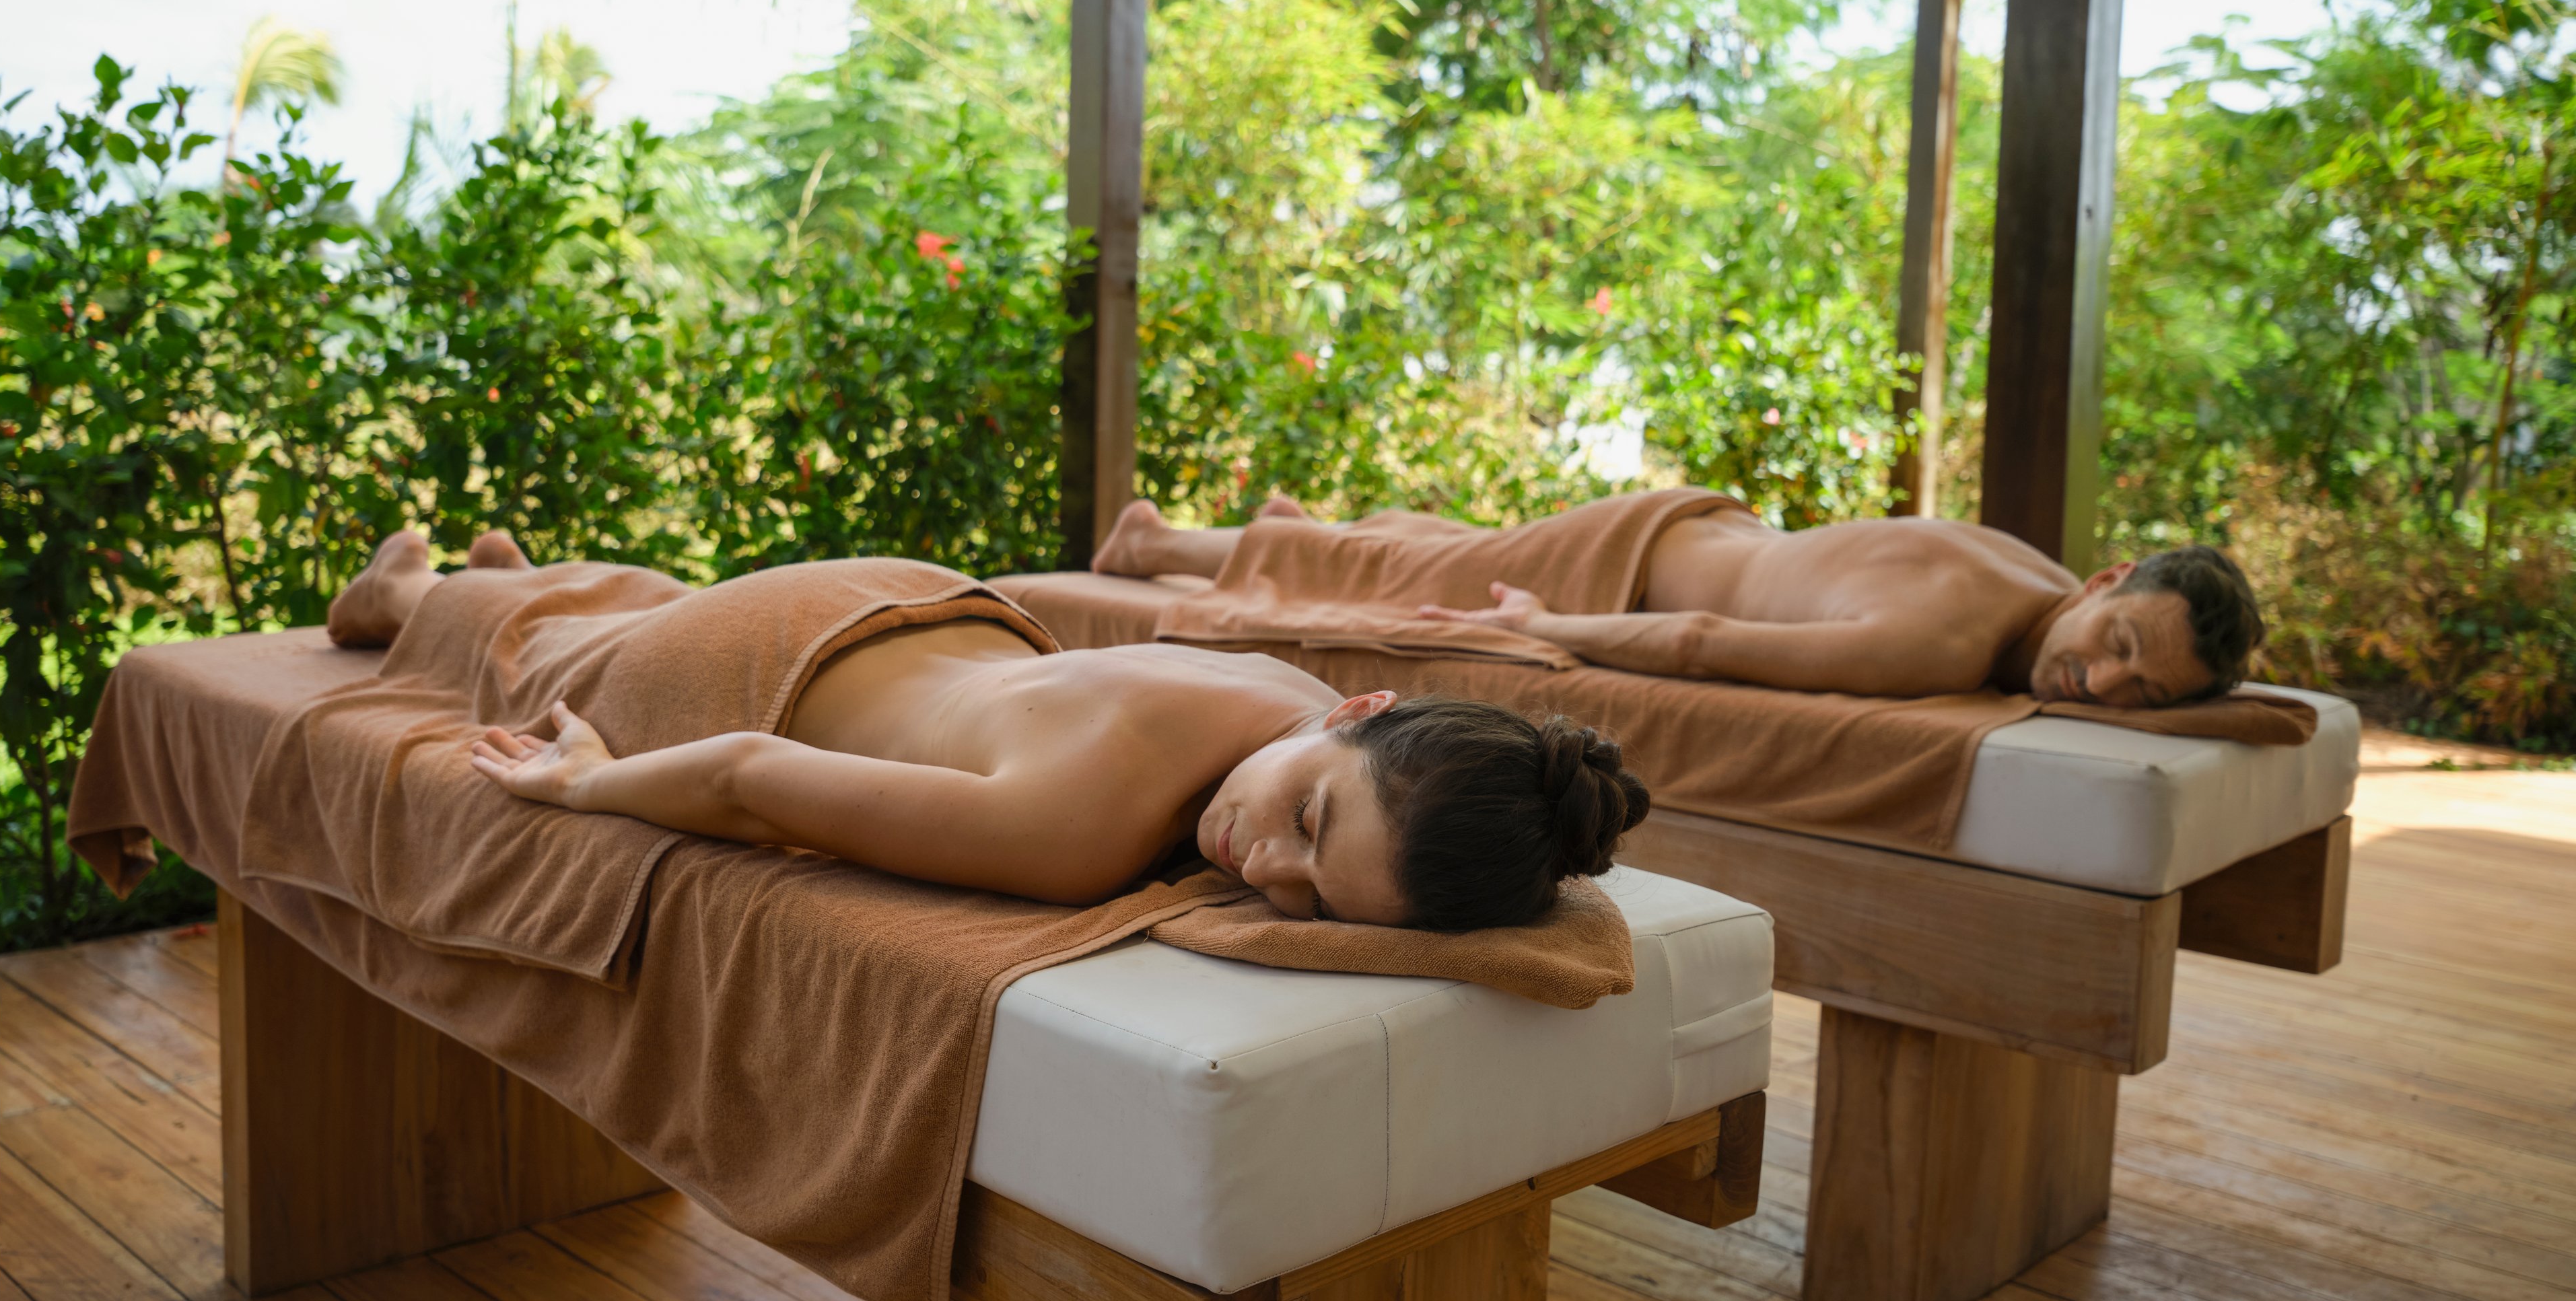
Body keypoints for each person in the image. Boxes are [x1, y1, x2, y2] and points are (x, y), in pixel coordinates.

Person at [323, 530, 1647, 931]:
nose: (1263, 870)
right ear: (1361, 712)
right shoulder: (1070, 834)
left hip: (916, 600)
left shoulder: (1295, 704)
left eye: (1309, 897)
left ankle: (509, 572)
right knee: (539, 669)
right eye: (1308, 823)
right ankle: (415, 593)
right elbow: (745, 775)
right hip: (752, 672)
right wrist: (591, 790)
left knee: (596, 621)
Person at [1090, 493, 2264, 709]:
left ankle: (1298, 533)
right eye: (2117, 645)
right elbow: (1703, 644)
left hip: (1703, 531)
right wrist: (1543, 629)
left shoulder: (2039, 579)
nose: (2100, 682)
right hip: (1633, 567)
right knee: (1402, 587)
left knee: (1433, 551)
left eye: (2143, 694)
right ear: (2108, 584)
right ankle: (1159, 542)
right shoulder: (1942, 643)